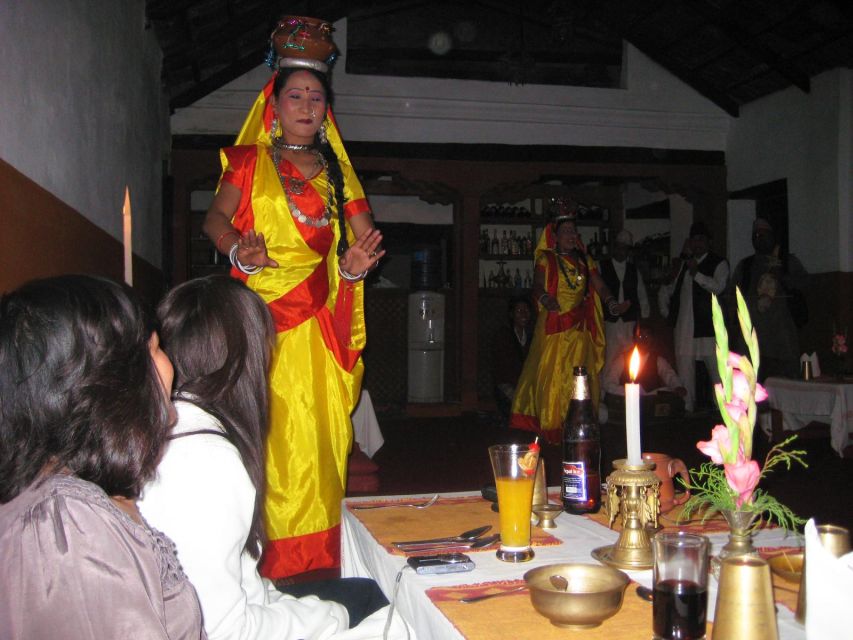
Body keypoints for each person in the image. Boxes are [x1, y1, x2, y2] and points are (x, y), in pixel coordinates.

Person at [201, 17, 383, 577]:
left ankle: (317, 567)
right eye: (295, 96)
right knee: (272, 446)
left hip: (321, 330)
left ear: (327, 111)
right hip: (263, 327)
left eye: (316, 98)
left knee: (322, 447)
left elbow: (365, 238)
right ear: (273, 104)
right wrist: (238, 252)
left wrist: (355, 269)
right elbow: (215, 219)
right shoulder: (249, 164)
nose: (306, 106)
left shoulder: (337, 176)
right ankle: (262, 563)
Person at [139, 275, 399, 640]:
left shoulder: (184, 428)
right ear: (243, 358)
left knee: (368, 593)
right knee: (397, 620)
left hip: (243, 605)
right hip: (220, 627)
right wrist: (332, 616)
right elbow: (222, 629)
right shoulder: (204, 460)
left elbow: (240, 585)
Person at [0, 275, 205, 640]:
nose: (169, 363)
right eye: (156, 348)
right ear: (114, 382)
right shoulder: (67, 530)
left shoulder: (82, 500)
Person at [510, 212, 628, 443]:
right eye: (566, 231)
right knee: (552, 377)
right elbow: (536, 285)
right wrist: (545, 298)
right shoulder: (546, 259)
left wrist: (612, 303)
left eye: (574, 231)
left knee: (580, 376)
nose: (571, 236)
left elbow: (600, 285)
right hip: (555, 326)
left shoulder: (585, 260)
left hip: (580, 329)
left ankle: (577, 423)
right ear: (554, 236)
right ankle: (551, 425)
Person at [658, 221, 729, 412]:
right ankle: (687, 411)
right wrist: (667, 312)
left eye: (701, 239)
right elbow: (669, 290)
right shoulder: (682, 265)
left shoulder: (718, 263)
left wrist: (696, 273)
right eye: (694, 240)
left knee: (718, 374)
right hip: (684, 330)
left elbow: (719, 286)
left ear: (709, 242)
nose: (697, 244)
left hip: (709, 329)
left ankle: (724, 412)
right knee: (685, 375)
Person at [731, 217, 808, 380]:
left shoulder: (788, 261)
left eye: (764, 234)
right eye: (756, 235)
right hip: (752, 332)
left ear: (773, 237)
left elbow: (804, 284)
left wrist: (782, 276)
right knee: (751, 382)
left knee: (786, 380)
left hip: (781, 334)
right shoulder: (745, 266)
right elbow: (733, 295)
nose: (760, 238)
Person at [598, 229, 650, 371]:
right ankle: (606, 391)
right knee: (609, 359)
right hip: (610, 322)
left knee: (629, 359)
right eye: (619, 247)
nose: (622, 251)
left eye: (625, 248)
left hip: (629, 322)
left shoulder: (634, 270)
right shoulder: (602, 266)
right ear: (614, 247)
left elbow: (642, 294)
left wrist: (645, 318)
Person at [602, 326, 686, 398]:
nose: (644, 340)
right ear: (634, 338)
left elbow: (669, 375)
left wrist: (677, 386)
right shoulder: (623, 359)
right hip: (628, 401)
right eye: (640, 336)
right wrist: (629, 392)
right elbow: (608, 382)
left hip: (650, 402)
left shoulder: (658, 360)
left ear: (652, 339)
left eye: (647, 336)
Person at [491, 295, 533, 418]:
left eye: (526, 311)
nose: (524, 314)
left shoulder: (532, 336)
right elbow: (504, 368)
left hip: (526, 383)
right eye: (519, 311)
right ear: (512, 314)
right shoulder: (504, 336)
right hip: (508, 383)